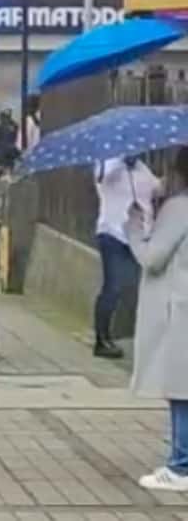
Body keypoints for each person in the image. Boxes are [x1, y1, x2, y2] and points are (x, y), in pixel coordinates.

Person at [125, 146, 188, 492]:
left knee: (181, 388)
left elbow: (152, 258)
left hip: (179, 307)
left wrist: (135, 228)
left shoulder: (180, 207)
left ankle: (180, 466)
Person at [92, 156, 163, 359]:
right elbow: (100, 177)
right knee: (113, 287)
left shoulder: (142, 168)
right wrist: (121, 161)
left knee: (140, 286)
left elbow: (156, 189)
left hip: (139, 236)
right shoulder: (107, 164)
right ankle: (102, 339)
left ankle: (146, 337)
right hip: (113, 233)